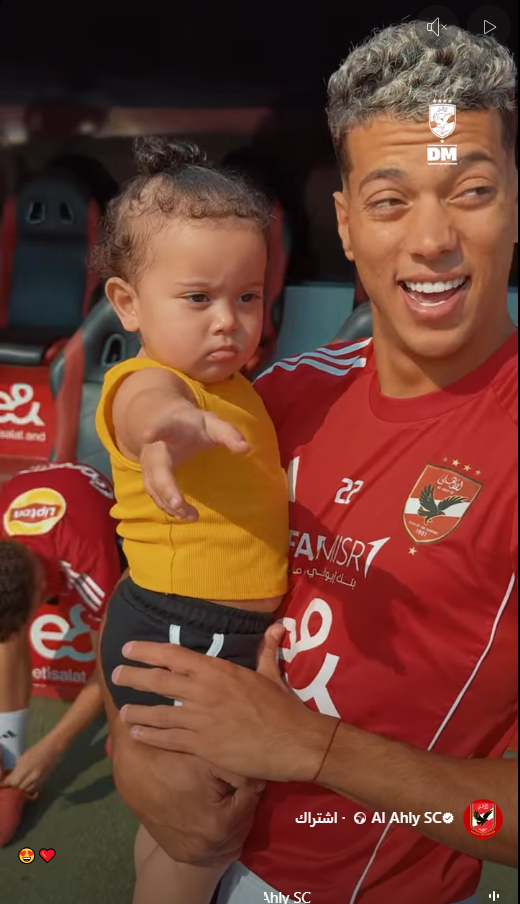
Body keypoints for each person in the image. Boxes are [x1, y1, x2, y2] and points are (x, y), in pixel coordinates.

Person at [106, 22, 518, 904]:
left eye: (472, 190)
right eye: (390, 199)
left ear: (515, 203)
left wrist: (314, 748)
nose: (433, 239)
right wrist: (128, 749)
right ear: (345, 224)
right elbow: (153, 585)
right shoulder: (270, 399)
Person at [92, 136, 290, 904]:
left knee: (172, 828)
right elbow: (148, 409)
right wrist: (169, 426)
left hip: (191, 627)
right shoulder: (146, 380)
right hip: (187, 633)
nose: (228, 322)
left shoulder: (236, 389)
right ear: (127, 303)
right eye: (198, 298)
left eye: (248, 298)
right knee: (201, 835)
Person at [0, 461, 122, 845]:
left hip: (96, 518)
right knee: (7, 629)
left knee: (123, 646)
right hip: (37, 493)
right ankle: (9, 756)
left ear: (43, 595)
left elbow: (110, 660)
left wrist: (52, 747)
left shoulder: (90, 560)